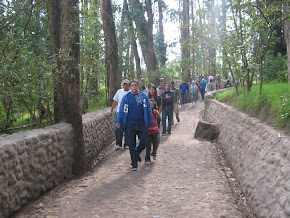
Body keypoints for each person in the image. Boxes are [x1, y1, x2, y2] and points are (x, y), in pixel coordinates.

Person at [116, 79, 153, 171]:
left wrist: (150, 120)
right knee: (131, 144)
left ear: (138, 86)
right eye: (132, 85)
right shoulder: (126, 97)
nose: (134, 87)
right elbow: (121, 111)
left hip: (141, 123)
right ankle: (134, 164)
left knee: (144, 142)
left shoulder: (143, 96)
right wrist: (118, 122)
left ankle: (136, 154)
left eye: (135, 85)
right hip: (130, 124)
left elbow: (148, 109)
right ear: (129, 87)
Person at [110, 79, 130, 149]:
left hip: (128, 113)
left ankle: (127, 143)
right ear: (122, 85)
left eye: (127, 84)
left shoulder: (131, 92)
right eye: (124, 84)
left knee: (128, 128)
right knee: (118, 127)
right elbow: (115, 101)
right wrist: (111, 110)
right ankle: (118, 143)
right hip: (120, 112)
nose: (125, 85)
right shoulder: (119, 92)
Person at [145, 99, 160, 165]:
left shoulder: (155, 111)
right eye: (149, 104)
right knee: (148, 146)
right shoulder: (145, 111)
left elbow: (159, 117)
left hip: (155, 131)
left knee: (156, 143)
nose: (150, 105)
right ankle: (147, 159)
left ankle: (154, 153)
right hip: (148, 131)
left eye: (152, 104)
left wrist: (156, 113)